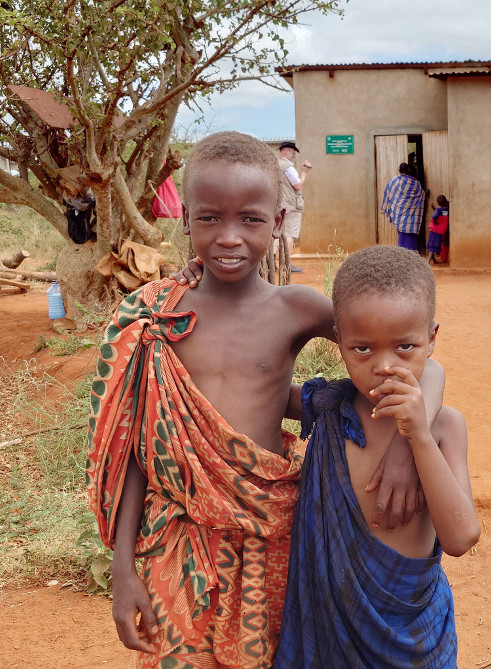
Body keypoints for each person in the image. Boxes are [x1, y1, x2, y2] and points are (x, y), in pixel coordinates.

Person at [87, 131, 444, 669]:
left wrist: (403, 441)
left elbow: (425, 366)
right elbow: (141, 446)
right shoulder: (157, 319)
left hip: (273, 534)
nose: (229, 237)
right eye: (210, 218)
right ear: (185, 218)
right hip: (178, 536)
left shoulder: (295, 308)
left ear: (277, 222)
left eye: (250, 219)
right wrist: (121, 567)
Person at [274, 245, 480, 668]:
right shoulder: (330, 409)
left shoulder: (444, 428)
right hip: (329, 638)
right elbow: (256, 390)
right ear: (339, 342)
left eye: (405, 346)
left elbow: (461, 538)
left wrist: (417, 437)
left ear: (432, 339)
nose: (384, 366)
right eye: (362, 349)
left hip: (414, 641)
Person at [277, 140, 310, 274]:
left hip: (279, 204)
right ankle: (286, 264)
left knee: (278, 232)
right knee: (290, 233)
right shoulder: (287, 167)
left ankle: (272, 261)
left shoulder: (275, 165)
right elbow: (297, 185)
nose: (294, 156)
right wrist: (304, 172)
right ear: (286, 151)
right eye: (293, 152)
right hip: (291, 204)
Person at [381, 162, 427, 252]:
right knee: (410, 234)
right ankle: (411, 255)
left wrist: (395, 207)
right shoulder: (415, 183)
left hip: (399, 216)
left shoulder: (393, 181)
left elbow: (388, 194)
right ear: (408, 170)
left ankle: (403, 255)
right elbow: (421, 194)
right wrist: (425, 193)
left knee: (402, 233)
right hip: (411, 216)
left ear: (399, 170)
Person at [426, 194, 449, 264]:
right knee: (435, 245)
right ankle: (434, 260)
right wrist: (435, 209)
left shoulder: (438, 210)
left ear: (438, 203)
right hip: (440, 231)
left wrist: (435, 221)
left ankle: (427, 261)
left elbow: (435, 216)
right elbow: (442, 213)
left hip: (434, 230)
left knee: (432, 245)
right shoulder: (447, 209)